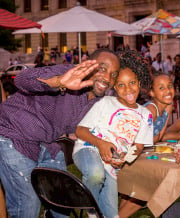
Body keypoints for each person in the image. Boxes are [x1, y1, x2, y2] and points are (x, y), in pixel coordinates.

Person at [0, 48, 120, 217]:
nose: (108, 78)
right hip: (14, 135)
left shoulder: (98, 102)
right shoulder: (67, 72)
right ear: (88, 65)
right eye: (102, 68)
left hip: (48, 145)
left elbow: (78, 129)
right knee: (27, 204)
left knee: (62, 202)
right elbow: (21, 79)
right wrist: (59, 82)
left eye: (114, 74)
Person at [72, 49, 153, 218]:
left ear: (139, 83)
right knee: (95, 174)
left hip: (112, 166)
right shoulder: (105, 102)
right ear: (115, 87)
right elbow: (80, 130)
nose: (128, 89)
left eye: (132, 83)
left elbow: (138, 146)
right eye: (121, 85)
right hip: (88, 149)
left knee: (112, 214)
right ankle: (91, 212)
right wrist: (101, 144)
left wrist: (125, 160)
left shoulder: (146, 115)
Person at [118, 73, 175, 218]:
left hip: (137, 153)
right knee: (147, 189)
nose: (168, 91)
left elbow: (159, 137)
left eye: (170, 86)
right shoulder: (152, 110)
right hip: (127, 154)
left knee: (133, 193)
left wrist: (168, 113)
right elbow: (133, 139)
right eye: (161, 88)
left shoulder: (165, 108)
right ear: (152, 93)